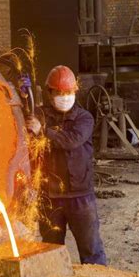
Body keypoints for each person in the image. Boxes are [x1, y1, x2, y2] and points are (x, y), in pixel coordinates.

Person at [24, 65, 107, 265]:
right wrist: (23, 99)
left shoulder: (84, 118)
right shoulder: (40, 115)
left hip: (80, 196)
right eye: (59, 92)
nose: (64, 97)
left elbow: (70, 140)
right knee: (51, 250)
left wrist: (43, 130)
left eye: (68, 92)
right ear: (50, 93)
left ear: (75, 93)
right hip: (49, 196)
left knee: (91, 249)